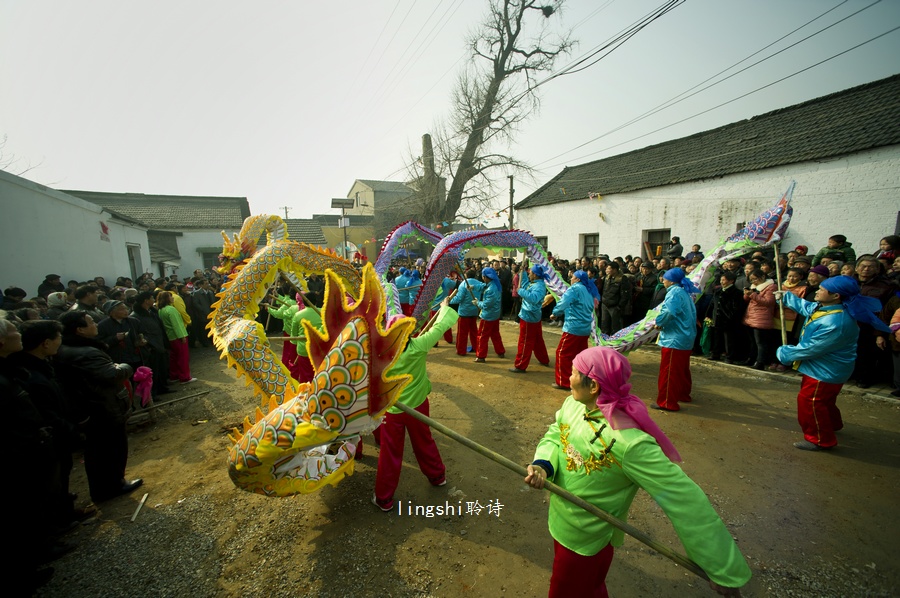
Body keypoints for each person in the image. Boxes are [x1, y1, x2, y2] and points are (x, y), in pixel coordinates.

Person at [524, 346, 750, 596]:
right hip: (560, 520)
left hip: (587, 538)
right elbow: (556, 434)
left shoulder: (630, 443)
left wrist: (722, 569)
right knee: (590, 589)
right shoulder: (574, 405)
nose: (568, 377)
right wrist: (543, 465)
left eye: (575, 373)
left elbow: (684, 499)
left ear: (594, 387)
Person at [775, 276, 891, 450]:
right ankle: (832, 424)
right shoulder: (828, 308)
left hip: (825, 370)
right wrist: (786, 296)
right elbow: (806, 307)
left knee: (811, 401)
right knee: (825, 400)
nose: (818, 291)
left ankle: (820, 439)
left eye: (822, 289)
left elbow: (812, 348)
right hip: (823, 368)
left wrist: (785, 353)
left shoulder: (837, 322)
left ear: (836, 296)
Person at [372, 298, 458, 511]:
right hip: (418, 406)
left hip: (393, 409)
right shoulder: (418, 345)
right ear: (409, 332)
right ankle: (437, 476)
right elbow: (441, 326)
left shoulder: (379, 353)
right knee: (424, 441)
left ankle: (384, 498)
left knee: (390, 453)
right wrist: (444, 306)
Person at [55, 311, 143, 502]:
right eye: (91, 322)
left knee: (98, 452)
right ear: (80, 330)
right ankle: (114, 484)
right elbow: (111, 374)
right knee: (111, 448)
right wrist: (125, 366)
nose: (96, 324)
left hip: (92, 407)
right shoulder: (86, 353)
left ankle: (103, 487)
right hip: (102, 407)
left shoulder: (68, 349)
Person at [653, 268, 698, 411]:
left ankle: (667, 402)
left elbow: (670, 312)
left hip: (675, 338)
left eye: (665, 278)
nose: (662, 280)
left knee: (669, 371)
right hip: (685, 336)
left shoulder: (674, 292)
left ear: (671, 281)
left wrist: (659, 323)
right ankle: (683, 394)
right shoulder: (683, 292)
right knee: (681, 369)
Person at [550, 270, 599, 390]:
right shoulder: (588, 290)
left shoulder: (574, 289)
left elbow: (564, 302)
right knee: (579, 356)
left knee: (562, 353)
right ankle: (581, 381)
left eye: (572, 277)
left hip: (573, 327)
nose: (570, 279)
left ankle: (564, 381)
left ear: (577, 279)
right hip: (585, 328)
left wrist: (555, 313)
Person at [509, 263, 551, 373]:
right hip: (533, 316)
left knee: (525, 342)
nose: (529, 274)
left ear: (536, 275)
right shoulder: (536, 283)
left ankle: (520, 365)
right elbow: (525, 283)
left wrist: (520, 291)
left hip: (529, 316)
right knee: (537, 340)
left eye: (531, 272)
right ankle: (543, 359)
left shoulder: (539, 286)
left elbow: (533, 298)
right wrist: (522, 272)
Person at [157, 291, 196, 384]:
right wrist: (182, 336)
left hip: (170, 337)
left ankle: (174, 375)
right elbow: (177, 325)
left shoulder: (161, 310)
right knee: (183, 357)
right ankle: (185, 377)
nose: (173, 298)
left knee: (174, 357)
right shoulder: (171, 309)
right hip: (178, 336)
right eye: (170, 297)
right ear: (167, 299)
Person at [473, 267, 505, 362]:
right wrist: (473, 287)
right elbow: (483, 286)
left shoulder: (491, 289)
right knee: (495, 334)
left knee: (482, 336)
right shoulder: (494, 284)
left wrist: (477, 302)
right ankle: (500, 351)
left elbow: (487, 304)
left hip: (488, 316)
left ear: (485, 277)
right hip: (495, 315)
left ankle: (481, 356)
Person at [449, 269, 483, 356]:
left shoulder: (464, 284)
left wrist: (449, 300)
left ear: (466, 275)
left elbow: (459, 298)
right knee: (473, 331)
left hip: (464, 312)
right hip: (474, 309)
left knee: (462, 332)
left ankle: (461, 350)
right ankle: (476, 347)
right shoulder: (478, 283)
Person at [599, 262, 632, 335]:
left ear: (615, 270)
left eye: (609, 268)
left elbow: (625, 295)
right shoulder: (606, 278)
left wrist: (619, 306)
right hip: (605, 305)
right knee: (604, 325)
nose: (607, 270)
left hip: (615, 306)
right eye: (607, 268)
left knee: (616, 326)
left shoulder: (622, 278)